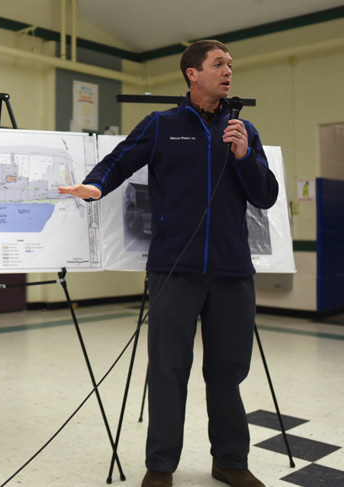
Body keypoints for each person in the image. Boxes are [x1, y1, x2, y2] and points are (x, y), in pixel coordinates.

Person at [58, 40, 278, 487]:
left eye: (231, 64)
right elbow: (119, 159)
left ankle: (231, 462)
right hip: (173, 272)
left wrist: (243, 155)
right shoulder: (162, 125)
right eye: (219, 64)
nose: (229, 71)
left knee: (228, 373)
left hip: (232, 273)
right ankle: (160, 467)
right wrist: (96, 186)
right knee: (166, 371)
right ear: (192, 74)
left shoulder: (243, 130)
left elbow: (266, 195)